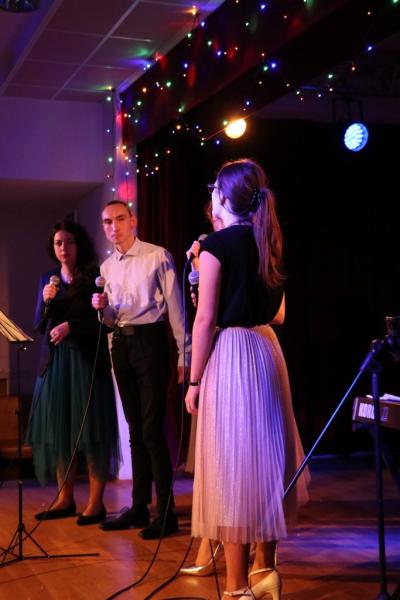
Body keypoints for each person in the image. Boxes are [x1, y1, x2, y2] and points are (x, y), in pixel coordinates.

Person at [185, 159, 309, 599]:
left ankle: (237, 587)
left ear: (223, 196)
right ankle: (266, 571)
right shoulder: (267, 241)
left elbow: (205, 321)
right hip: (266, 350)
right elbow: (280, 314)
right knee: (267, 463)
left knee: (233, 468)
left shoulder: (217, 245)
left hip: (233, 353)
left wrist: (194, 381)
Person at [92, 200, 190, 539]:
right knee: (135, 430)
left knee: (151, 430)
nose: (114, 226)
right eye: (107, 222)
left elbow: (176, 308)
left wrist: (184, 354)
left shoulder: (156, 256)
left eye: (120, 219)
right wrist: (101, 309)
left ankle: (166, 513)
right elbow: (109, 321)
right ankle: (138, 507)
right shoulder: (106, 267)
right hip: (121, 343)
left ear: (132, 221)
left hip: (150, 342)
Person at [27, 221, 120, 526]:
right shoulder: (48, 279)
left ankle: (95, 503)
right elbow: (39, 324)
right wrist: (45, 301)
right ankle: (65, 499)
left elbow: (103, 322)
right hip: (56, 364)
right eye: (58, 243)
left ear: (79, 244)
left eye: (69, 242)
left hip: (85, 362)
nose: (63, 248)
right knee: (60, 432)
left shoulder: (94, 276)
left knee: (91, 431)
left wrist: (71, 326)